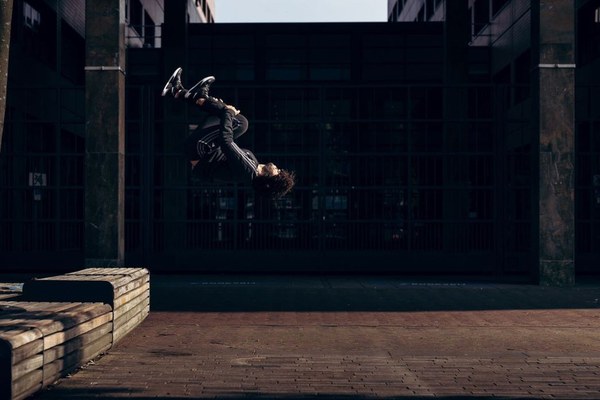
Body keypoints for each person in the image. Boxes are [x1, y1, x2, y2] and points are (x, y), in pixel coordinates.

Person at [161, 67, 295, 199]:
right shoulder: (253, 165)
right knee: (235, 120)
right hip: (204, 148)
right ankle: (179, 91)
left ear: (268, 178)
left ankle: (192, 94)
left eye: (277, 172)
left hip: (200, 150)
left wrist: (228, 113)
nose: (277, 168)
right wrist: (226, 113)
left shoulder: (248, 170)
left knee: (239, 122)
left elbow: (226, 142)